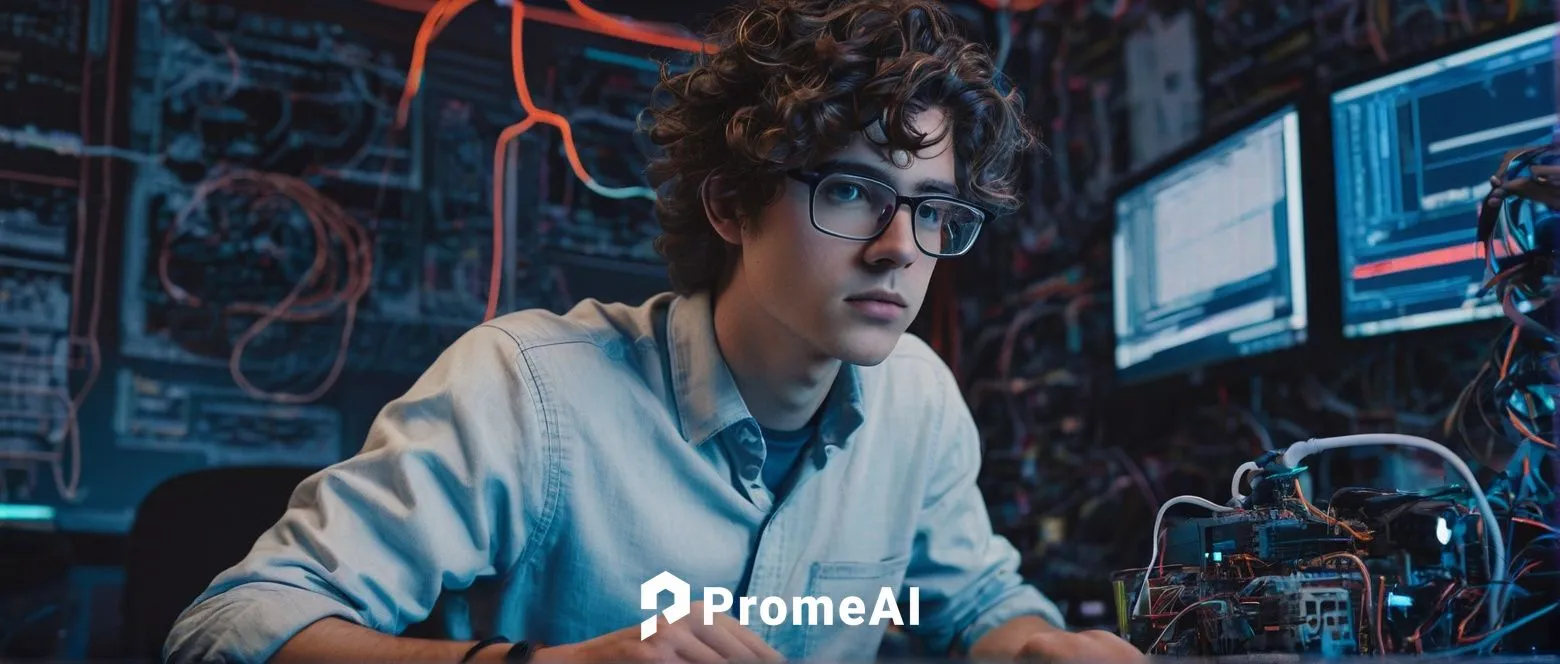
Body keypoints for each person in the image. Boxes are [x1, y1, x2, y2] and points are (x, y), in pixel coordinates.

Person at [164, 0, 1147, 662]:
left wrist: (1036, 644)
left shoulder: (919, 403)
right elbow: (228, 626)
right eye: (853, 190)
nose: (901, 249)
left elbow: (976, 602)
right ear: (731, 204)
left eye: (934, 211)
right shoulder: (527, 389)